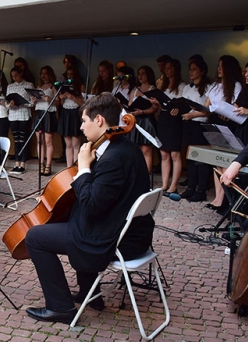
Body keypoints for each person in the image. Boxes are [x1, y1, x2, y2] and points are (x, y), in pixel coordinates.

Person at [25, 93, 153, 323]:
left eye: (84, 121)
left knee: (35, 236)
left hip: (117, 241)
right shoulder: (128, 148)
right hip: (131, 232)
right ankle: (89, 294)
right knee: (75, 217)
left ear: (100, 121)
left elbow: (93, 207)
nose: (81, 127)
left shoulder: (113, 158)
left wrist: (84, 168)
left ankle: (60, 307)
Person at [204, 55, 244, 212]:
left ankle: (224, 199)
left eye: (222, 66)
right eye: (218, 66)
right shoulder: (214, 85)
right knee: (216, 160)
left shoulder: (236, 85)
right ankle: (217, 197)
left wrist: (223, 110)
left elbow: (235, 105)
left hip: (226, 122)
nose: (219, 69)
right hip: (212, 120)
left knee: (225, 160)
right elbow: (206, 105)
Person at [180, 58, 214, 203]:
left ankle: (201, 189)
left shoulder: (209, 87)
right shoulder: (188, 87)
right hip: (188, 123)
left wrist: (193, 114)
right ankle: (191, 187)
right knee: (190, 157)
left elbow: (209, 110)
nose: (191, 72)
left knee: (200, 158)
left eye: (194, 69)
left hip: (201, 124)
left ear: (202, 70)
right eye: (190, 69)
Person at [152, 58, 186, 199]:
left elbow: (185, 103)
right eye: (165, 68)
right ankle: (165, 184)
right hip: (164, 119)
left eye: (169, 68)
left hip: (175, 120)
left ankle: (174, 185)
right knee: (164, 154)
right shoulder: (162, 85)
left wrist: (178, 108)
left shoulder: (183, 86)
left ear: (176, 69)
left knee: (175, 154)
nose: (166, 71)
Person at [127, 65, 160, 174]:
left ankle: (146, 175)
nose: (140, 76)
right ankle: (137, 174)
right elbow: (130, 104)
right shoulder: (135, 89)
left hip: (147, 120)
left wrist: (142, 111)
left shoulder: (152, 89)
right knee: (136, 149)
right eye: (139, 74)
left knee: (146, 149)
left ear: (148, 75)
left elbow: (155, 107)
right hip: (136, 121)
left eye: (143, 73)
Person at [33, 66, 59, 176]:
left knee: (48, 141)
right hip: (38, 113)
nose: (43, 76)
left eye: (46, 73)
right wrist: (34, 100)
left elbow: (58, 102)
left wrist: (49, 99)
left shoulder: (53, 86)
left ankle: (48, 165)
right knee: (40, 141)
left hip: (49, 113)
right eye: (42, 73)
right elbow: (34, 103)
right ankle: (41, 164)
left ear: (50, 75)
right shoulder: (38, 87)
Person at [7, 66, 33, 173]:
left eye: (16, 75)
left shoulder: (28, 85)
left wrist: (23, 102)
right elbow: (6, 103)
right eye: (12, 76)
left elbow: (32, 103)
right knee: (16, 140)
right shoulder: (10, 86)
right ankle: (16, 164)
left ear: (21, 73)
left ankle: (22, 164)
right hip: (13, 115)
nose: (14, 78)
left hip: (23, 115)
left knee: (23, 140)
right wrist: (10, 104)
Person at [57, 67, 85, 168]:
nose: (69, 76)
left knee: (76, 143)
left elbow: (83, 103)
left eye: (71, 74)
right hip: (65, 113)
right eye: (68, 74)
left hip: (75, 113)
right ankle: (69, 167)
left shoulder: (80, 86)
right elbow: (61, 104)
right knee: (68, 144)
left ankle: (76, 167)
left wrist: (72, 97)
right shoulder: (63, 86)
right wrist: (62, 98)